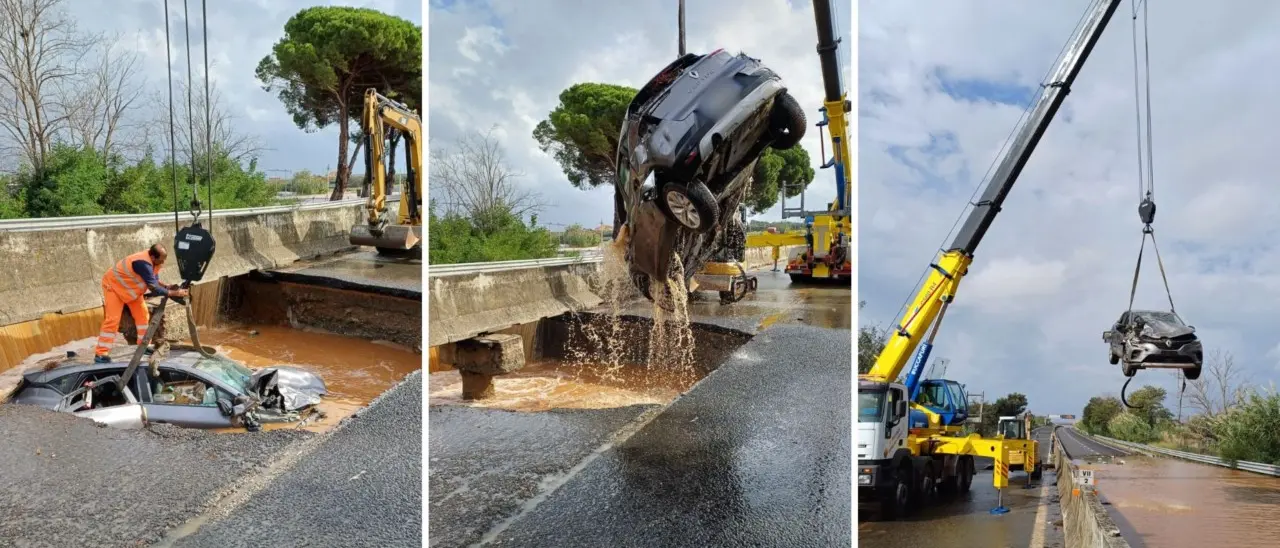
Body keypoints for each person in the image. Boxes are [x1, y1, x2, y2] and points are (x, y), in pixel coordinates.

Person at [94, 243, 188, 364]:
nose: (163, 262)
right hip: (113, 287)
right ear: (153, 257)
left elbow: (154, 280)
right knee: (113, 320)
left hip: (130, 290)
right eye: (161, 260)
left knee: (143, 316)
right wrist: (175, 293)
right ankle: (101, 353)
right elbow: (154, 288)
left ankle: (143, 346)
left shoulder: (154, 261)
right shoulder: (142, 264)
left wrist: (166, 286)